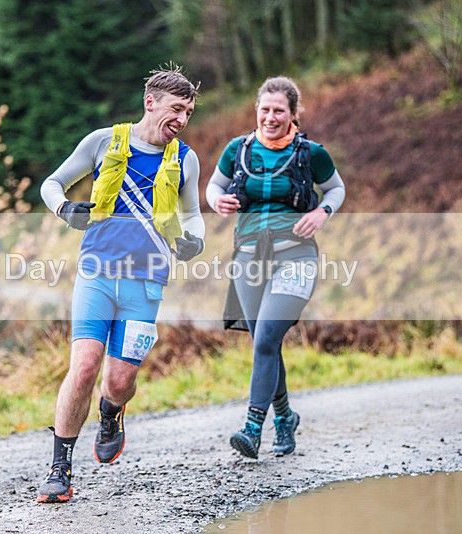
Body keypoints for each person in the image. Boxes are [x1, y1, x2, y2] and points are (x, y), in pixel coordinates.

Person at [37, 66, 205, 503]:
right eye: (176, 109)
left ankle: (111, 412)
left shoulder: (185, 159)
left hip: (146, 284)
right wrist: (64, 209)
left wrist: (195, 242)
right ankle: (60, 468)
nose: (182, 119)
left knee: (117, 380)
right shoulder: (103, 141)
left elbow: (192, 216)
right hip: (96, 274)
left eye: (188, 112)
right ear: (150, 103)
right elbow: (51, 183)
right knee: (85, 367)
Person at [206, 76, 345, 459]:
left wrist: (321, 211)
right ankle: (285, 418)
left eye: (279, 111)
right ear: (256, 111)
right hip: (249, 257)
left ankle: (253, 427)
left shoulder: (311, 153)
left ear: (294, 113)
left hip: (297, 256)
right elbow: (213, 187)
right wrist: (218, 202)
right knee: (264, 342)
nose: (271, 117)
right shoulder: (238, 149)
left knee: (266, 337)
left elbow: (336, 188)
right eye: (264, 110)